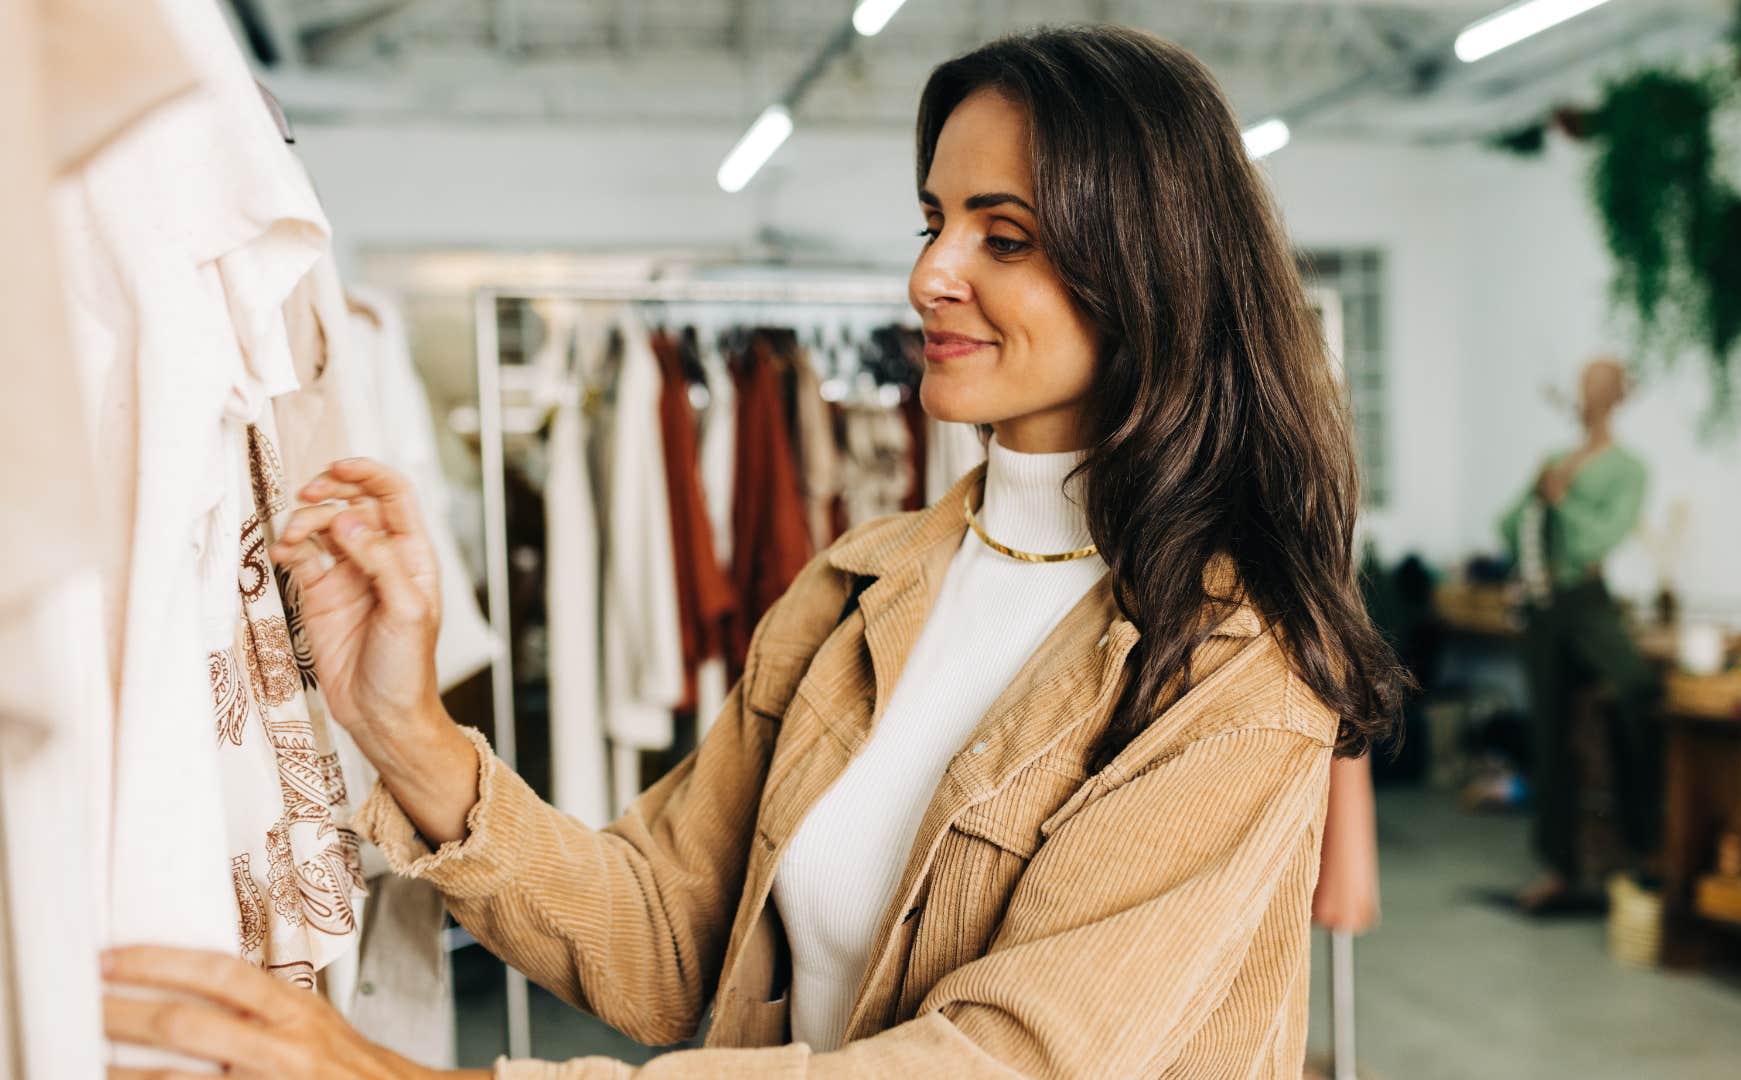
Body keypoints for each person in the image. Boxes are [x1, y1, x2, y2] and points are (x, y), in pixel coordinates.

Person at [100, 26, 1407, 1078]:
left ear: (1153, 274)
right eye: (932, 222)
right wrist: (407, 730)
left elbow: (1012, 1063)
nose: (931, 276)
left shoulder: (1236, 663)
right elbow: (672, 933)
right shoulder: (866, 584)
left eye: (1002, 237)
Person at [1498, 356, 1659, 916]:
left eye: (1597, 383)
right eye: (1582, 382)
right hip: (1545, 606)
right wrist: (1541, 495)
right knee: (1549, 733)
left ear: (1616, 394)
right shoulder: (1554, 461)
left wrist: (1564, 500)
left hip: (1588, 600)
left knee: (1637, 691)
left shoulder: (1629, 469)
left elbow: (1599, 540)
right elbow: (1508, 525)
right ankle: (1557, 865)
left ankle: (1645, 848)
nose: (1586, 391)